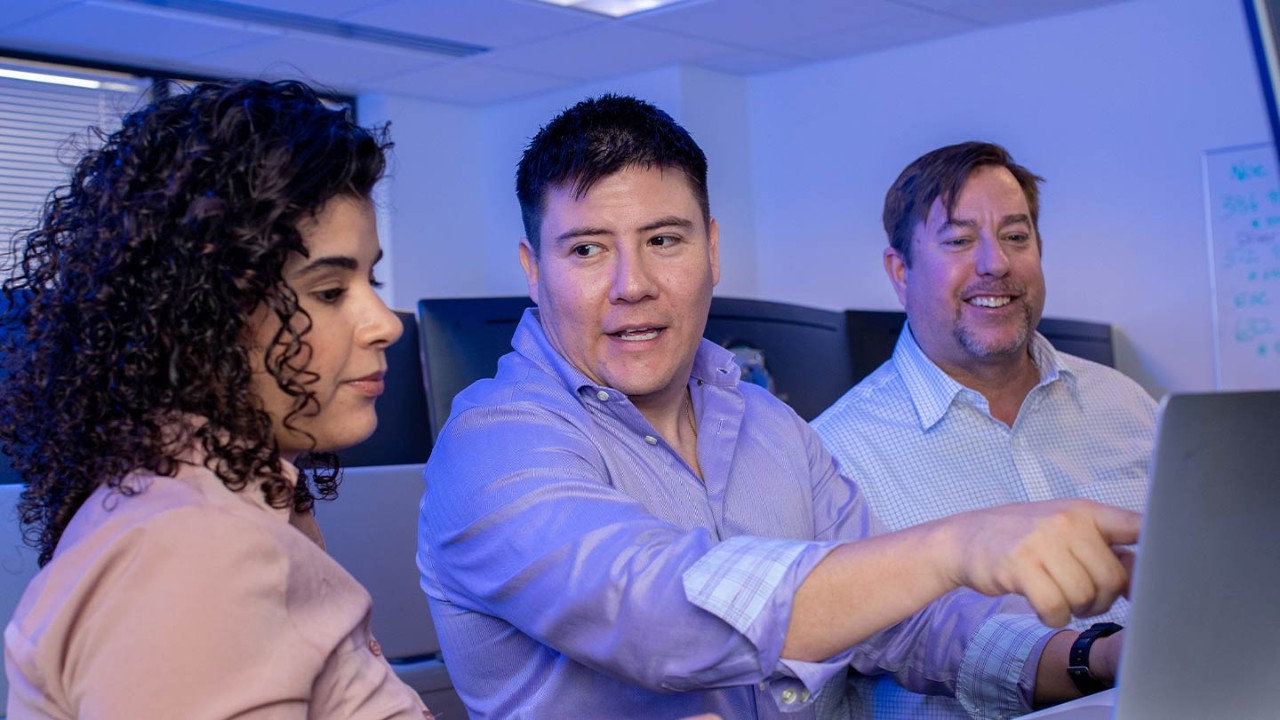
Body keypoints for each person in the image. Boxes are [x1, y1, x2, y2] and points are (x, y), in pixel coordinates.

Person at [417, 95, 1139, 719]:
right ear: (531, 270)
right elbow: (660, 612)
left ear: (713, 250)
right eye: (586, 251)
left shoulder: (769, 427)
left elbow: (909, 626)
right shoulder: (491, 446)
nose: (632, 284)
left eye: (664, 240)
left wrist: (1094, 656)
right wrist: (957, 545)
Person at [0, 79, 432, 718]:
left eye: (372, 278)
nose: (386, 322)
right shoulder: (195, 548)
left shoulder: (219, 502)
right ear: (204, 316)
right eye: (329, 291)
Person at [811, 141, 1156, 718]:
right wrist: (1100, 657)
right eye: (960, 240)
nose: (995, 263)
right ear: (901, 272)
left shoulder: (1126, 404)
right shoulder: (834, 455)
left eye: (1016, 237)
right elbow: (908, 640)